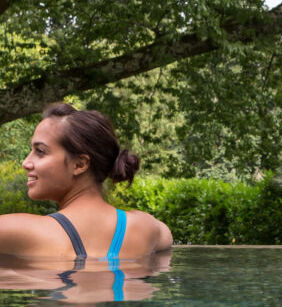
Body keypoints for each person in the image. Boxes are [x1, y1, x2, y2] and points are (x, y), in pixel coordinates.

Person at [0, 103, 172, 260]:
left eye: (40, 151)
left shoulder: (24, 232)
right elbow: (167, 238)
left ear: (79, 164)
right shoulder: (148, 228)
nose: (25, 163)